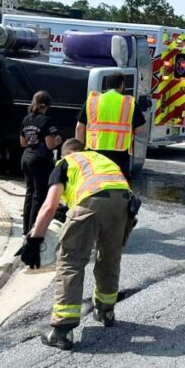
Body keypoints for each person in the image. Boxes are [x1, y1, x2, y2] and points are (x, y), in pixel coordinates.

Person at [18, 138, 137, 350]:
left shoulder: (65, 163)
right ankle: (105, 311)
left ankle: (62, 331)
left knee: (71, 262)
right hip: (122, 204)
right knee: (109, 258)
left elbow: (48, 206)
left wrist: (34, 240)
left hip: (91, 203)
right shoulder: (101, 159)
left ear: (64, 154)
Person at [75, 74, 147, 178]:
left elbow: (79, 128)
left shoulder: (92, 101)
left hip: (95, 152)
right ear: (122, 85)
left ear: (106, 85)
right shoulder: (129, 103)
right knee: (117, 186)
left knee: (95, 184)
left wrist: (79, 152)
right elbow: (140, 129)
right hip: (119, 155)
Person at [20, 91, 63, 235]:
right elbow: (50, 145)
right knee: (39, 195)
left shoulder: (26, 119)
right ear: (47, 106)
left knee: (29, 193)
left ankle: (25, 228)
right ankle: (34, 230)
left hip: (26, 157)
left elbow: (23, 142)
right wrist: (58, 140)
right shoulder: (46, 121)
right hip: (40, 159)